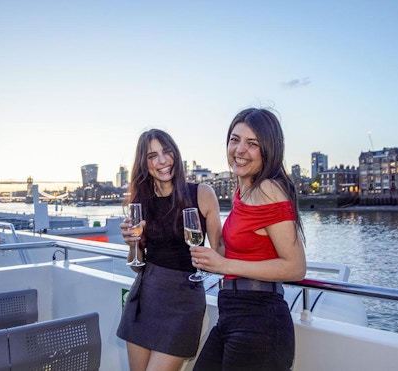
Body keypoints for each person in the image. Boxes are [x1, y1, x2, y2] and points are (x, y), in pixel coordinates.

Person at [190, 108, 307, 371]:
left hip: (260, 322)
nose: (239, 149)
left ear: (269, 149)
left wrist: (225, 266)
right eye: (235, 139)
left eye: (252, 143)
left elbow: (296, 267)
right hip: (232, 315)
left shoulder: (268, 189)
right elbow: (227, 249)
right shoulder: (243, 191)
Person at [116, 128, 222, 371]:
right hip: (145, 297)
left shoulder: (202, 194)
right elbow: (136, 267)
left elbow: (220, 251)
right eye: (153, 156)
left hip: (184, 300)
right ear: (144, 164)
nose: (162, 161)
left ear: (176, 153)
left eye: (167, 152)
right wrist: (132, 244)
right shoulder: (141, 202)